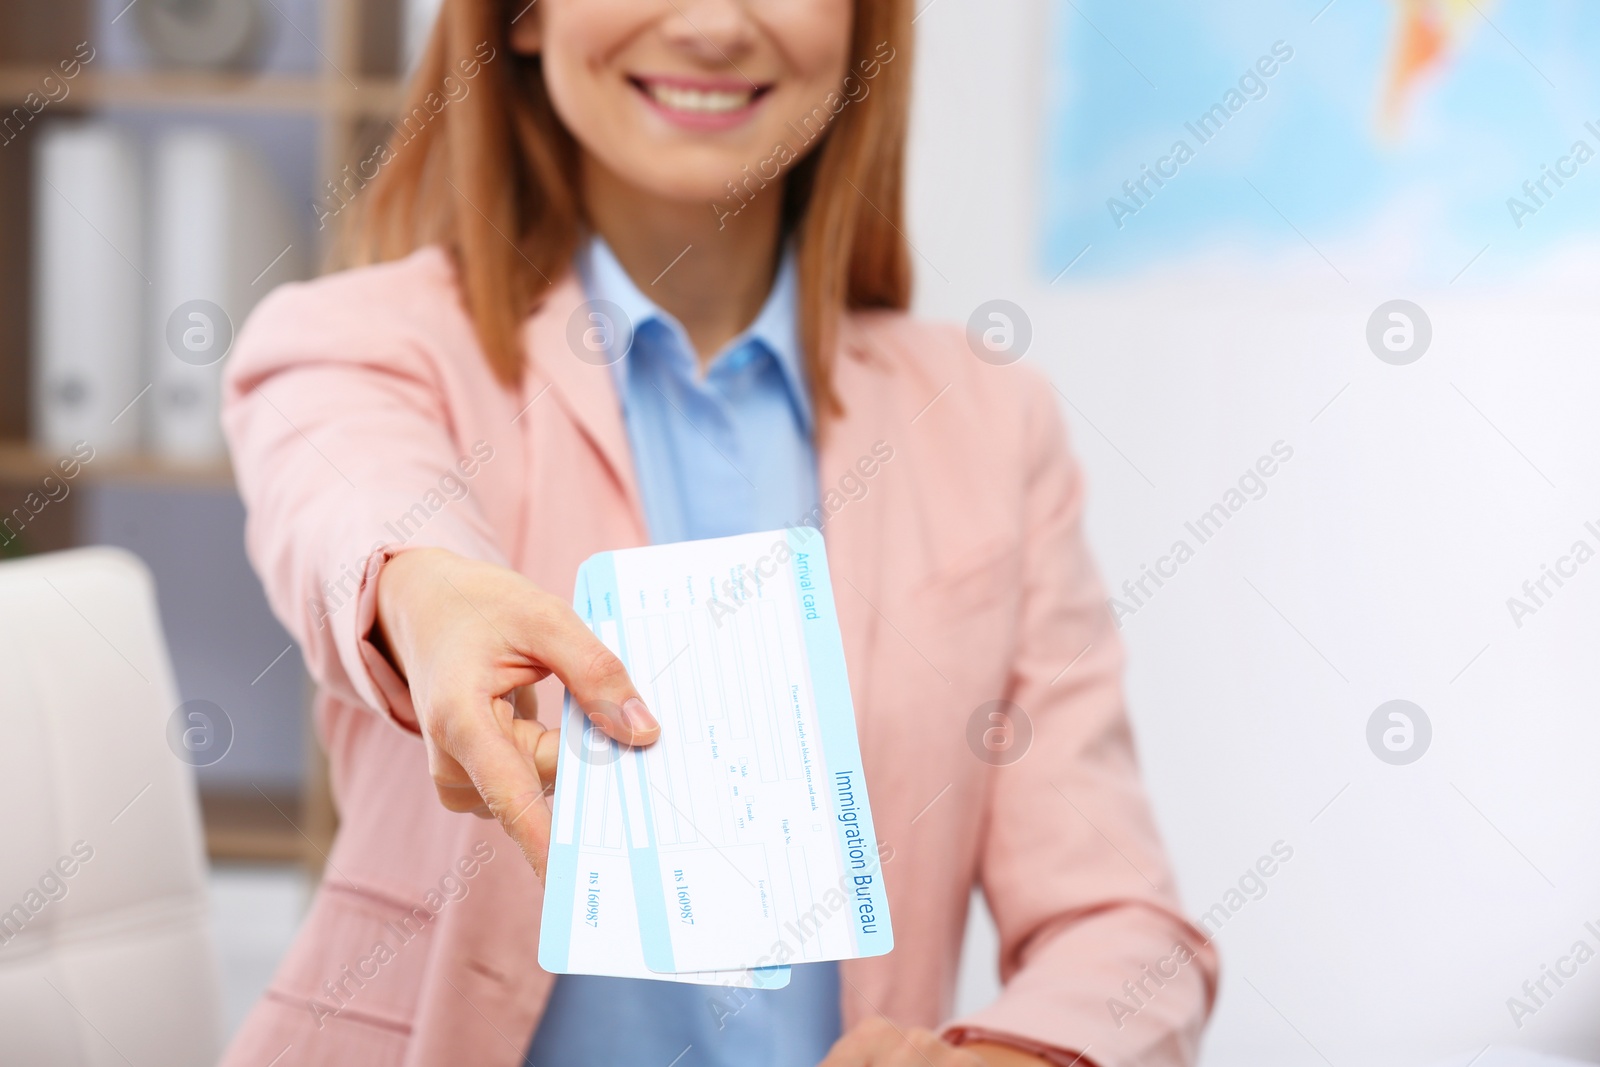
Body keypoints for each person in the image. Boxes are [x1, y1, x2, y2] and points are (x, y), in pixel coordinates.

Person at [219, 1, 1217, 1064]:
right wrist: (423, 595)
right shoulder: (356, 345)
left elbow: (1121, 924)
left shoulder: (986, 422)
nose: (709, 24)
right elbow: (354, 499)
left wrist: (1010, 1056)